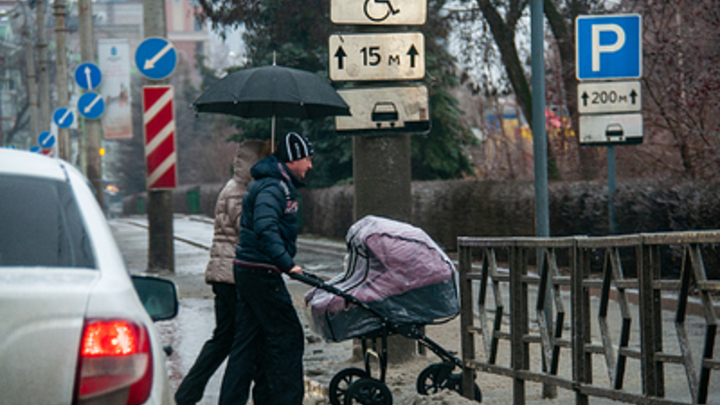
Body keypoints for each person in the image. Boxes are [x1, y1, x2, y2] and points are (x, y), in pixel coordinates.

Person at [219, 132, 314, 405]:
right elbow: (266, 227)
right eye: (307, 159)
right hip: (261, 271)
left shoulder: (271, 184)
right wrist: (288, 264)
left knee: (246, 344)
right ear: (293, 158)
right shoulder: (274, 188)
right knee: (288, 336)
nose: (309, 165)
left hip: (248, 269)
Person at [174, 140, 267, 405]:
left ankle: (186, 395)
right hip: (233, 277)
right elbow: (246, 228)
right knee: (244, 340)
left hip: (224, 275)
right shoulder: (240, 191)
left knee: (224, 339)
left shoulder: (236, 187)